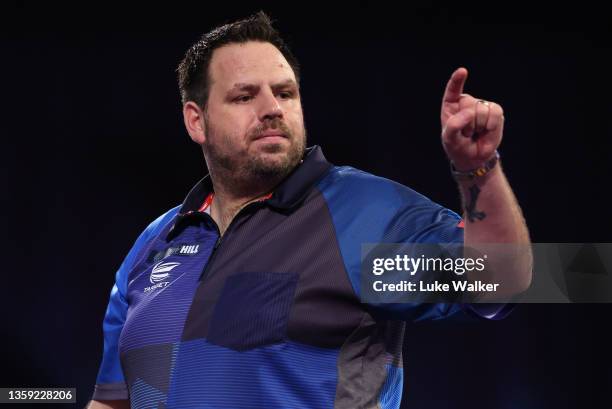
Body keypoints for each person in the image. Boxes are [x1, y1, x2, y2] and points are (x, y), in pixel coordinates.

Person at [87, 11, 531, 409]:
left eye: (285, 93)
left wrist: (478, 170)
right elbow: (113, 402)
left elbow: (499, 281)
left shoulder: (361, 215)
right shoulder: (155, 244)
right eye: (245, 97)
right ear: (195, 120)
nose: (272, 109)